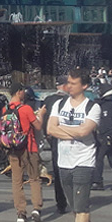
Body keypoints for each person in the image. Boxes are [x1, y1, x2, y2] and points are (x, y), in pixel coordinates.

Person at [47, 68, 103, 222]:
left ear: (84, 86)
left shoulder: (92, 107)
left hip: (83, 161)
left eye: (72, 83)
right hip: (64, 161)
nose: (67, 86)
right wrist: (75, 131)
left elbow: (85, 131)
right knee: (74, 206)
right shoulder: (59, 103)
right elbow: (50, 129)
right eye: (67, 82)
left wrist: (62, 129)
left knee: (81, 206)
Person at [4, 83, 43, 222]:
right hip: (29, 147)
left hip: (14, 149)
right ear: (19, 92)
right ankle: (36, 208)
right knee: (34, 178)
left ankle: (21, 212)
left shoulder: (6, 110)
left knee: (17, 181)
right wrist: (41, 115)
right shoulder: (26, 109)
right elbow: (38, 126)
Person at [42, 76, 70, 214]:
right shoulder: (69, 101)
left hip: (53, 139)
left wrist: (47, 135)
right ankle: (74, 199)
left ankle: (61, 203)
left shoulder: (48, 100)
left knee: (57, 170)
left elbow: (43, 119)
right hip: (68, 138)